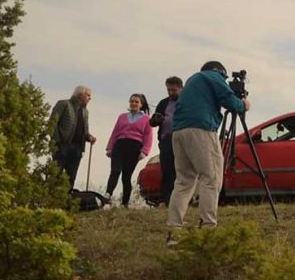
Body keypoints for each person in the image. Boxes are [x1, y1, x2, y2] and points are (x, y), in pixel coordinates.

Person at [166, 61, 249, 245]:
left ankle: (173, 231)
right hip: (201, 129)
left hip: (179, 132)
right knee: (211, 178)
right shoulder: (212, 77)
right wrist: (243, 104)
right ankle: (208, 228)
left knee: (183, 181)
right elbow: (230, 101)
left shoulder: (192, 81)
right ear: (220, 72)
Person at [104, 93, 154, 207]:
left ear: (141, 104)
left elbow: (148, 136)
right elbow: (115, 132)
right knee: (115, 171)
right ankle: (108, 194)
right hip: (119, 145)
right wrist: (109, 147)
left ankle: (124, 203)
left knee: (126, 176)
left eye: (136, 102)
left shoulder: (146, 119)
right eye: (132, 101)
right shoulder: (122, 116)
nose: (133, 104)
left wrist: (144, 151)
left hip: (134, 147)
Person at [48, 86, 98, 189]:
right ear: (80, 95)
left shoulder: (85, 112)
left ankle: (67, 200)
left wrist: (89, 137)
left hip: (77, 148)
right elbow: (52, 123)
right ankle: (51, 198)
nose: (90, 98)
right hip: (62, 145)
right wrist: (57, 141)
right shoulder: (63, 104)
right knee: (56, 173)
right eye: (88, 95)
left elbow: (85, 130)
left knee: (71, 175)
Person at [150, 76, 184, 207]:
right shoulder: (163, 103)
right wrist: (156, 120)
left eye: (174, 90)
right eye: (168, 90)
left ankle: (180, 201)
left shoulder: (187, 101)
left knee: (180, 170)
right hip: (166, 139)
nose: (170, 93)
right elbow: (153, 122)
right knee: (166, 169)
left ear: (181, 88)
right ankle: (167, 200)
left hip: (182, 138)